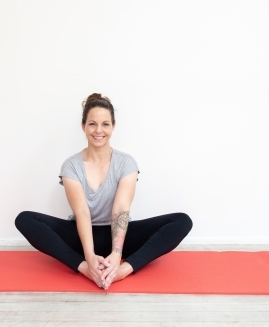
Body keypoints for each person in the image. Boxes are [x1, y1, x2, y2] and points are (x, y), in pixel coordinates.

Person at [15, 93, 192, 290]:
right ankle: (82, 267)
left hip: (119, 235)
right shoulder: (71, 166)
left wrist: (117, 255)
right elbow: (82, 212)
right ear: (83, 126)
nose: (99, 130)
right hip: (81, 237)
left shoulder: (126, 163)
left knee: (182, 221)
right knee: (25, 219)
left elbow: (121, 208)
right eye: (92, 124)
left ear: (113, 127)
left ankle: (124, 270)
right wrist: (89, 260)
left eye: (105, 124)